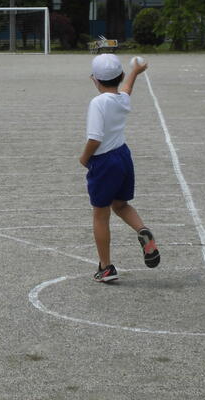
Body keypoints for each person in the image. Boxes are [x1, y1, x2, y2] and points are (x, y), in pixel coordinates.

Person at [79, 53, 160, 283]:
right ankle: (143, 231)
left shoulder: (97, 103)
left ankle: (106, 267)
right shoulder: (121, 100)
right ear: (121, 75)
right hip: (123, 156)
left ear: (94, 80)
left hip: (104, 161)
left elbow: (94, 139)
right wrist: (135, 71)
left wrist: (84, 158)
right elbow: (125, 89)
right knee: (121, 204)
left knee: (100, 215)